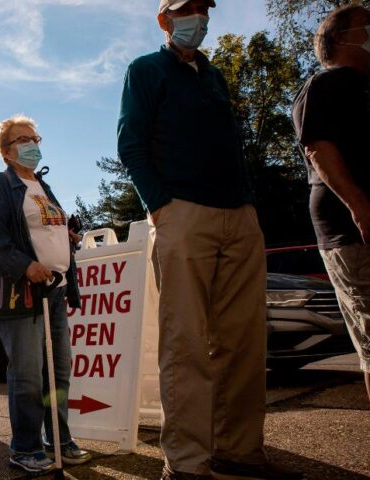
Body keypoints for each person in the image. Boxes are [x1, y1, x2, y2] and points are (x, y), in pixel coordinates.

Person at [117, 1, 303, 479]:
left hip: (239, 214)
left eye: (203, 9)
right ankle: (186, 463)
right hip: (182, 211)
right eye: (186, 9)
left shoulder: (214, 76)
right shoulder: (145, 70)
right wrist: (161, 206)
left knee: (244, 340)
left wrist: (249, 202)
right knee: (186, 341)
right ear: (164, 20)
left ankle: (238, 451)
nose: (197, 18)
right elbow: (131, 144)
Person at [0, 115, 90, 475]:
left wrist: (65, 239)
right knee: (27, 374)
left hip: (55, 290)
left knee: (59, 371)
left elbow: (44, 230)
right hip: (21, 293)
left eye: (34, 138)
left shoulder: (43, 187)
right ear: (6, 152)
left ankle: (59, 440)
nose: (31, 145)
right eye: (22, 139)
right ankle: (25, 448)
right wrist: (25, 265)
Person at [292, 4, 370, 402]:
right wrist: (360, 206)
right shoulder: (324, 86)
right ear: (340, 38)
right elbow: (318, 149)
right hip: (352, 231)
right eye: (365, 25)